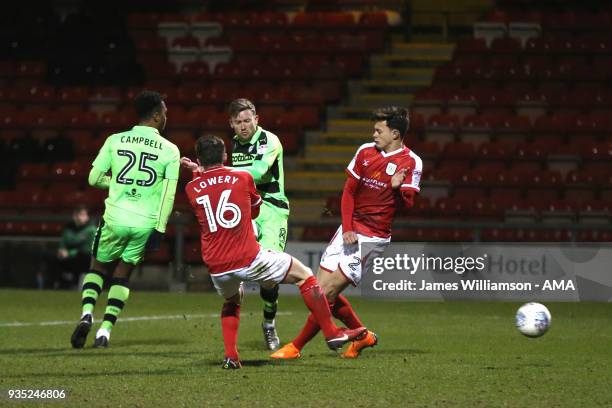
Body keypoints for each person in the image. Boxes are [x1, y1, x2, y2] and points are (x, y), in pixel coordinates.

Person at [184, 135, 365, 369]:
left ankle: (231, 356)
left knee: (232, 300)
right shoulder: (242, 177)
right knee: (304, 275)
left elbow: (210, 186)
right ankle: (331, 332)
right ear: (226, 156)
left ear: (199, 159)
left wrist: (198, 171)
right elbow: (256, 212)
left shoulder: (191, 188)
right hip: (248, 257)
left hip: (217, 266)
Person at [272, 106, 422, 359]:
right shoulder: (365, 151)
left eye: (379, 130)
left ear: (395, 133)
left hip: (372, 237)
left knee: (327, 293)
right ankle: (362, 336)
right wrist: (348, 228)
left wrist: (397, 188)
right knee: (319, 292)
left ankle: (295, 347)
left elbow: (407, 207)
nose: (373, 134)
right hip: (349, 229)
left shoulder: (411, 162)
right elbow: (349, 192)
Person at [70, 90, 180, 349]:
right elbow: (169, 194)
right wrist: (160, 229)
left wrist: (118, 184)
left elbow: (93, 179)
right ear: (155, 116)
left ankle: (87, 314)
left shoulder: (114, 140)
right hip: (145, 223)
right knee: (122, 275)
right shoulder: (171, 150)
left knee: (97, 268)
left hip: (115, 217)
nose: (167, 115)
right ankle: (105, 332)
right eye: (164, 111)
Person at [181, 98, 289, 351]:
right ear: (231, 123)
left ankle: (269, 322)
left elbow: (260, 172)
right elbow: (226, 178)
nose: (244, 126)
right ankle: (234, 295)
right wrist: (203, 170)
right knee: (234, 258)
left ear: (256, 119)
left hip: (272, 208)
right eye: (238, 122)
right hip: (245, 207)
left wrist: (212, 170)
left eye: (247, 120)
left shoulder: (269, 141)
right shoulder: (235, 146)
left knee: (270, 278)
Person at [46, 205, 97, 289]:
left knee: (82, 257)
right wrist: (61, 251)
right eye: (79, 214)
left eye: (84, 215)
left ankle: (74, 284)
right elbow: (64, 242)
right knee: (51, 257)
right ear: (74, 216)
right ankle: (55, 285)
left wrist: (69, 253)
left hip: (84, 258)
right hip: (68, 256)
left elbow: (83, 247)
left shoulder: (91, 229)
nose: (81, 217)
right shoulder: (69, 227)